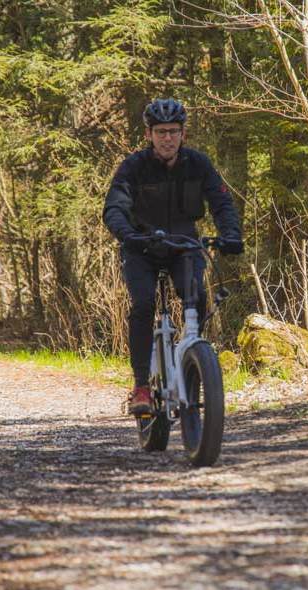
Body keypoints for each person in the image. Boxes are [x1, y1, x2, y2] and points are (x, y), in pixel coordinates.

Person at [104, 98, 244, 415]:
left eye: (174, 132)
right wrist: (126, 232)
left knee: (195, 295)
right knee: (143, 303)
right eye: (161, 132)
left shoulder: (198, 164)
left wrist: (231, 235)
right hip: (141, 246)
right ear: (149, 134)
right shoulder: (133, 167)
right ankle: (141, 385)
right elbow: (114, 206)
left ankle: (194, 360)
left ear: (183, 134)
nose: (168, 138)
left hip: (184, 246)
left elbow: (221, 203)